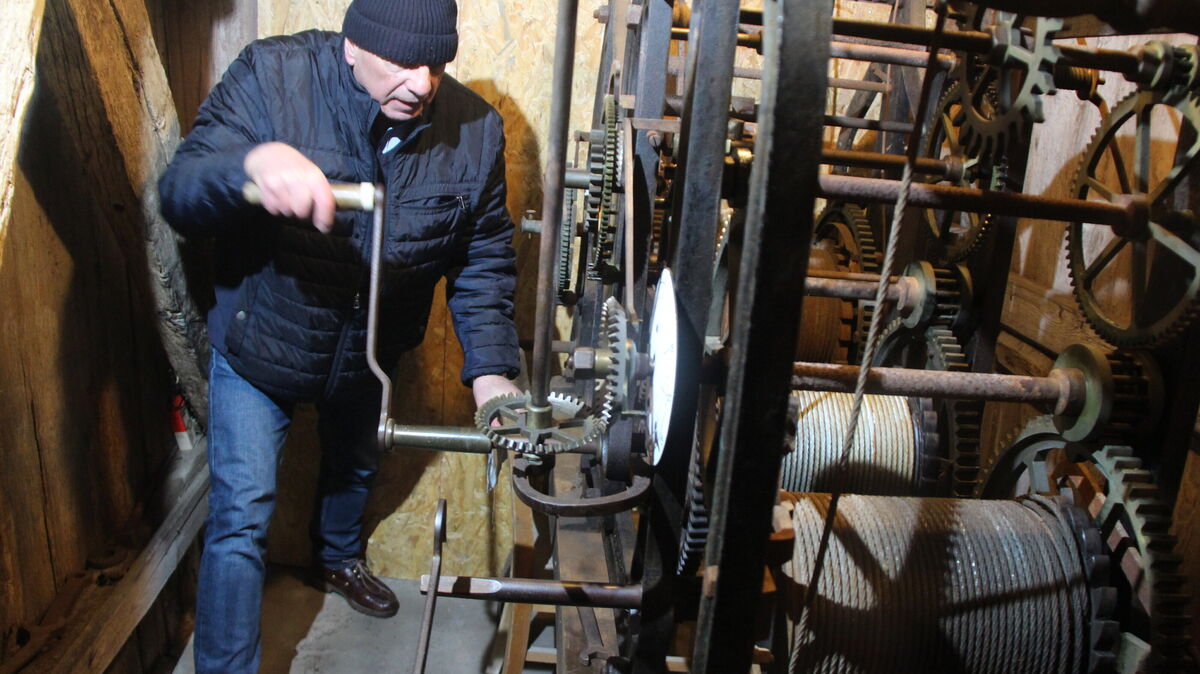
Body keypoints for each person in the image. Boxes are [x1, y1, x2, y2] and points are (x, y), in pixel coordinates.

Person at [157, 0, 522, 670]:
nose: (423, 82)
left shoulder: (476, 131)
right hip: (261, 341)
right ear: (353, 46)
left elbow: (483, 258)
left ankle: (338, 561)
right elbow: (179, 191)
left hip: (369, 354)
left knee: (354, 465)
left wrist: (492, 371)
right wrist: (253, 167)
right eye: (404, 63)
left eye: (437, 63)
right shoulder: (274, 77)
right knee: (241, 517)